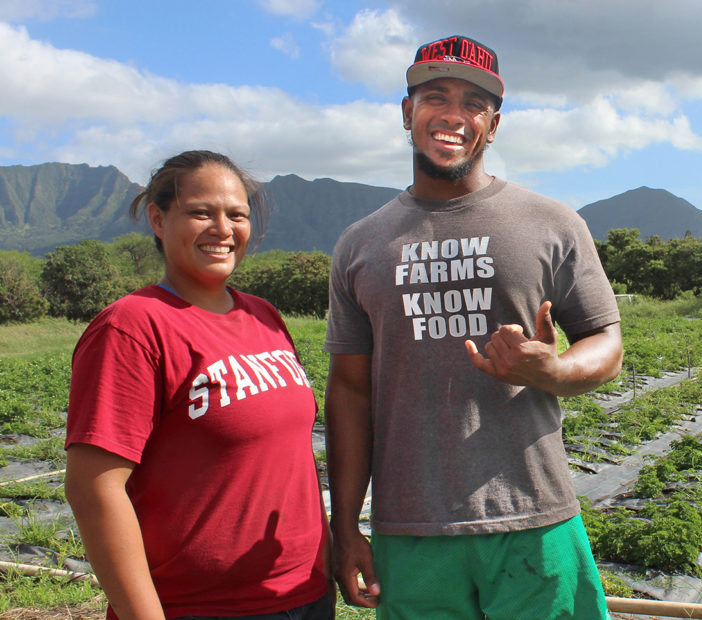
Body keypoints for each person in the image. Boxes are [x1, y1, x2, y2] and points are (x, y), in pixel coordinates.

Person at [325, 35, 623, 619]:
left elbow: (606, 343)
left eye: (474, 102)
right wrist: (345, 526)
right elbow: (350, 392)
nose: (453, 115)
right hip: (411, 528)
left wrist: (556, 370)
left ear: (494, 123)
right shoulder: (360, 244)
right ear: (407, 112)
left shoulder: (552, 223)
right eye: (435, 96)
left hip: (535, 516)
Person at [65, 150, 333, 620]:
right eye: (200, 212)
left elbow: (292, 458)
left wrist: (331, 553)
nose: (223, 229)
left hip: (306, 592)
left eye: (237, 215)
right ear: (157, 218)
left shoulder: (264, 316)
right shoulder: (132, 327)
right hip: (202, 606)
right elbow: (94, 491)